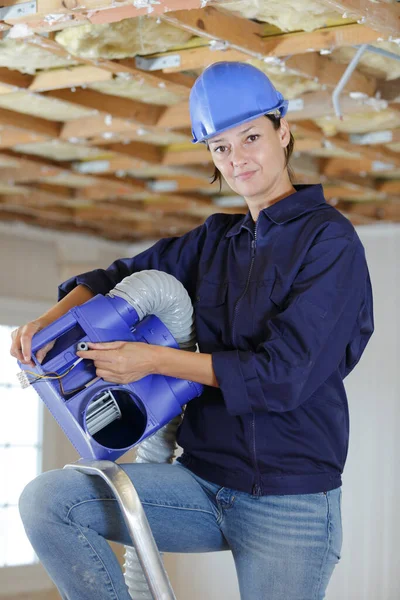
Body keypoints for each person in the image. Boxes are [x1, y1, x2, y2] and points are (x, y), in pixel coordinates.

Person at [13, 62, 374, 600]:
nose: (237, 159)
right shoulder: (214, 242)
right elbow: (114, 277)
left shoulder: (330, 243)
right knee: (50, 501)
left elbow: (285, 376)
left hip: (291, 501)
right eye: (220, 148)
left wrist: (153, 362)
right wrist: (47, 320)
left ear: (283, 131)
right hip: (202, 484)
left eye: (250, 137)